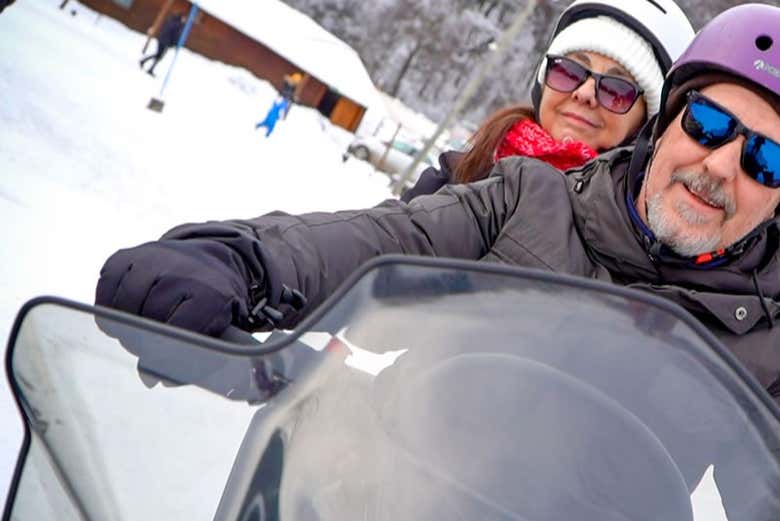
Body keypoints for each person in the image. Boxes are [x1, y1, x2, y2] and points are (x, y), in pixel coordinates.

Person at [96, 3, 780, 400]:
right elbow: (388, 240)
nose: (721, 164)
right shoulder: (521, 195)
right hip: (398, 468)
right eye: (709, 125)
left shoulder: (766, 336)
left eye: (768, 157)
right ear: (668, 128)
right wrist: (243, 261)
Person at [401, 0, 695, 202]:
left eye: (616, 90)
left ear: (644, 126)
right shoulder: (456, 176)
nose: (584, 93)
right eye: (570, 71)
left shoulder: (623, 248)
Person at [139, 12, 186, 77]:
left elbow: (166, 30)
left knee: (158, 55)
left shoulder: (171, 20)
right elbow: (174, 35)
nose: (184, 20)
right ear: (181, 17)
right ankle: (145, 63)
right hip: (166, 41)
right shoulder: (178, 24)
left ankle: (147, 65)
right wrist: (174, 44)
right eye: (184, 18)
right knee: (159, 56)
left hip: (161, 39)